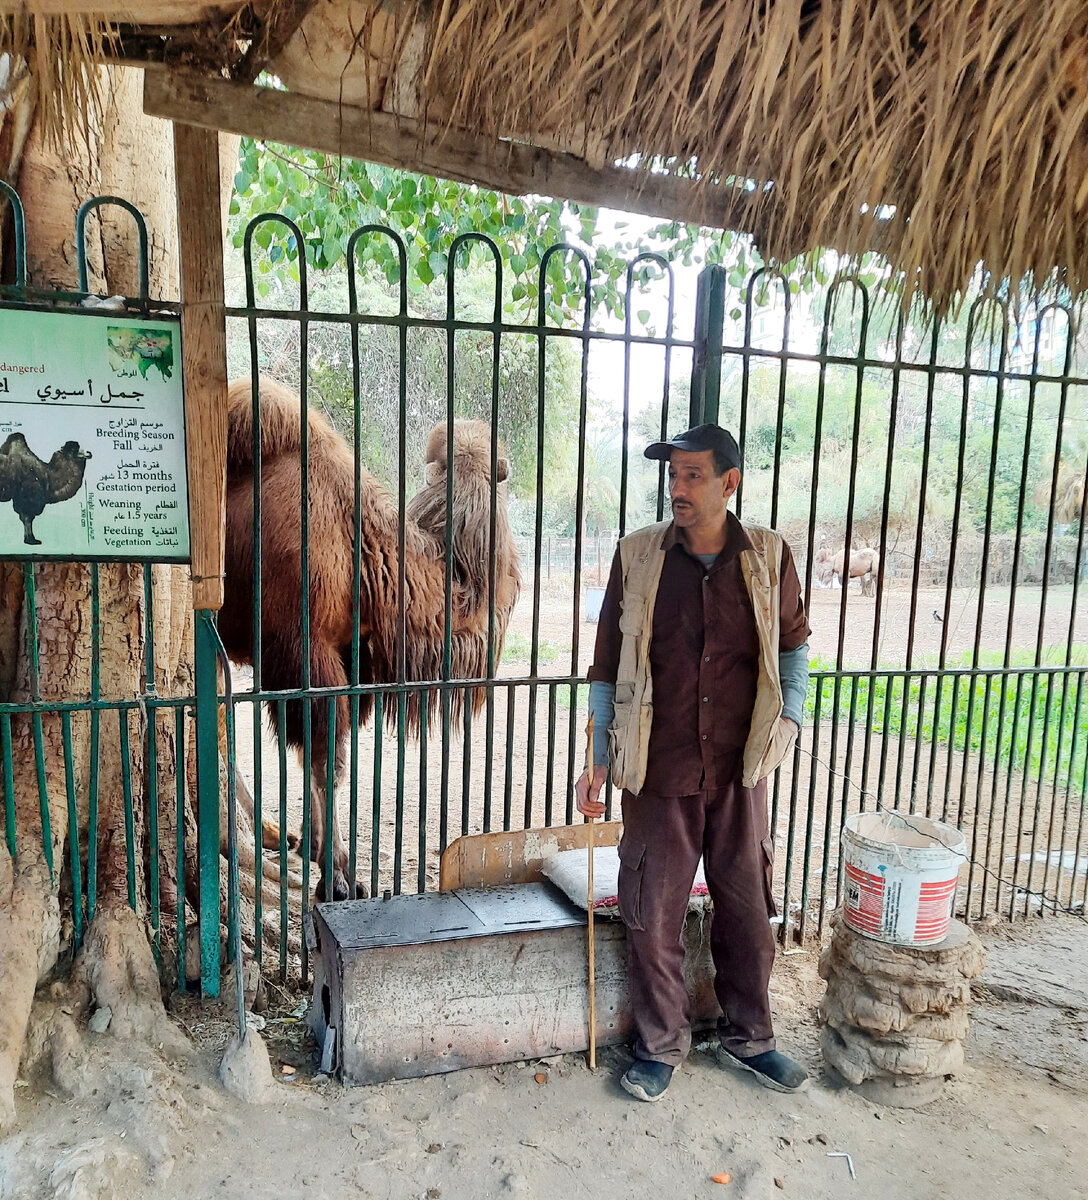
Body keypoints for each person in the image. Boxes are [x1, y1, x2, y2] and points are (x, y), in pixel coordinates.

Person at [575, 422, 811, 1103]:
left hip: (741, 771)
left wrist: (789, 716)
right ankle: (659, 1048)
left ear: (729, 483)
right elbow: (605, 669)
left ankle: (753, 1040)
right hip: (658, 768)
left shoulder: (768, 558)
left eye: (692, 476)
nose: (677, 488)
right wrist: (597, 758)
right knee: (653, 913)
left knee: (746, 910)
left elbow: (793, 647)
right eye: (672, 476)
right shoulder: (638, 557)